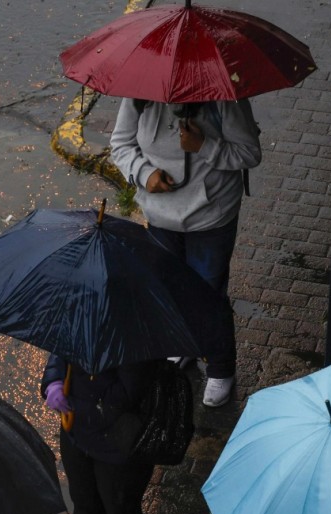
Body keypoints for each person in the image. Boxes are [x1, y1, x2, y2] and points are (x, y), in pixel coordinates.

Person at [109, 98, 262, 407]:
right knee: (169, 288)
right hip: (160, 216)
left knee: (207, 293)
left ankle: (220, 367)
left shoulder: (224, 99)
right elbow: (120, 145)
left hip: (211, 215)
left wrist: (205, 146)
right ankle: (184, 343)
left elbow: (249, 152)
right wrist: (144, 173)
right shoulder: (139, 94)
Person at [41, 354, 159, 514]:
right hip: (78, 437)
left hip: (120, 447)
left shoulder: (135, 336)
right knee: (85, 511)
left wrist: (77, 406)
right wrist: (53, 379)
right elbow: (62, 348)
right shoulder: (80, 324)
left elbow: (130, 393)